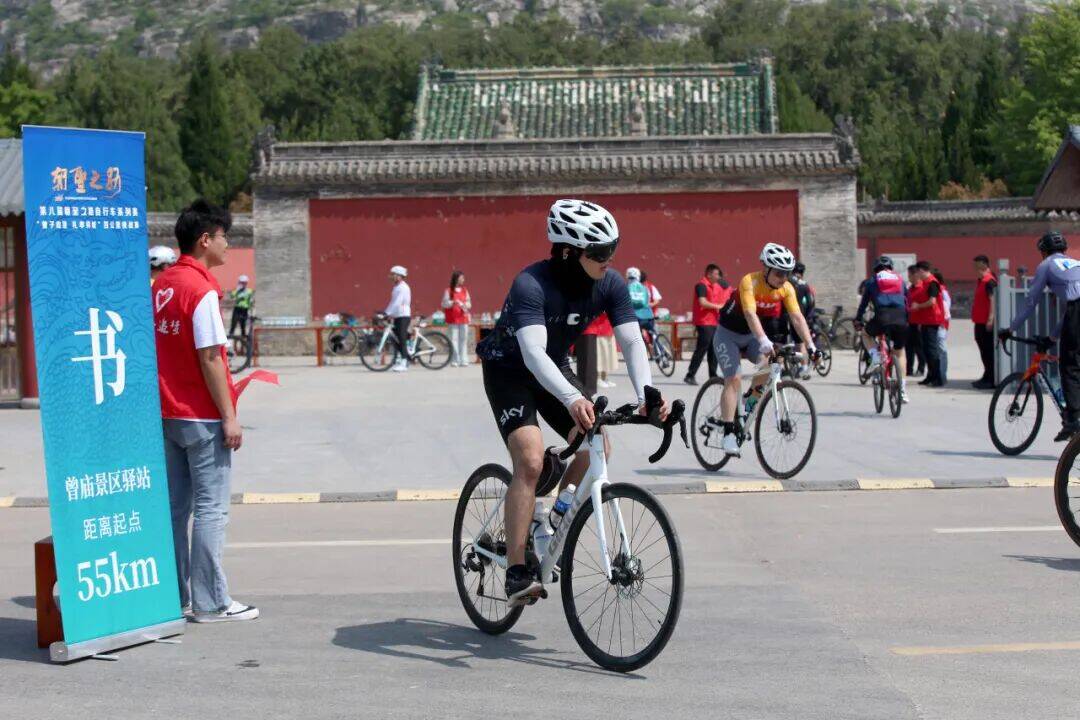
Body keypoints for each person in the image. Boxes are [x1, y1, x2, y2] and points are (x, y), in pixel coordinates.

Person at [476, 198, 670, 607]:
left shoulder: (610, 284)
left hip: (554, 367)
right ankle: (516, 570)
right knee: (530, 461)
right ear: (568, 252)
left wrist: (647, 396)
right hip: (509, 370)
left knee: (597, 444)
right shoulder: (531, 284)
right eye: (599, 252)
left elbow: (632, 340)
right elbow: (532, 353)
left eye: (612, 248)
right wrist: (572, 397)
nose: (608, 259)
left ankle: (552, 516)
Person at [154, 199, 258, 623]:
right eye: (223, 237)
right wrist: (229, 416)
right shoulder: (201, 290)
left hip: (166, 413)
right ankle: (211, 602)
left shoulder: (160, 285)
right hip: (200, 415)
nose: (227, 244)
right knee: (211, 510)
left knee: (176, 510)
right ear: (204, 240)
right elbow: (211, 357)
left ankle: (176, 596)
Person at [713, 243, 818, 456]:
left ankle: (747, 402)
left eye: (787, 273)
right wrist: (763, 340)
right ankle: (728, 433)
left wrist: (812, 346)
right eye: (779, 273)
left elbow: (797, 317)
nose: (783, 278)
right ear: (766, 269)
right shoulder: (749, 282)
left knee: (773, 364)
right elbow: (750, 314)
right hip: (727, 334)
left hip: (751, 335)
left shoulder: (786, 288)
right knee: (734, 378)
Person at [1000, 231, 1080, 441]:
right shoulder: (1075, 264)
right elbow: (1070, 314)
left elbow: (1030, 303)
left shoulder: (1046, 265)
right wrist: (1052, 339)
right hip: (1076, 312)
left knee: (1070, 367)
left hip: (1077, 311)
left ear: (1043, 252)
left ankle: (1073, 420)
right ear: (1064, 250)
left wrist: (1010, 329)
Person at [855, 255, 909, 403]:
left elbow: (864, 304)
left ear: (875, 269)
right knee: (900, 352)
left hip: (882, 317)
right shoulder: (900, 280)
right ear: (891, 267)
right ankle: (902, 390)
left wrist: (858, 319)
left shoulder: (872, 281)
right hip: (901, 317)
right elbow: (907, 300)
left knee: (866, 334)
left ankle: (876, 357)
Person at [684, 264, 727, 385]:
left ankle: (713, 375)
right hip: (703, 321)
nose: (718, 276)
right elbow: (702, 302)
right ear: (709, 274)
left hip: (714, 321)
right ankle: (690, 375)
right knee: (702, 347)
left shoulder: (717, 287)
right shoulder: (701, 286)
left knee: (714, 348)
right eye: (716, 274)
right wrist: (718, 306)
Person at [908, 261, 945, 387]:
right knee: (926, 350)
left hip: (932, 320)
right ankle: (930, 376)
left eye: (918, 272)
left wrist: (918, 306)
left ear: (922, 270)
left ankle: (937, 377)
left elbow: (932, 302)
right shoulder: (925, 283)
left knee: (932, 350)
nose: (917, 275)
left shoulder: (932, 283)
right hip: (925, 320)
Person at [971, 255, 998, 389]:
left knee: (988, 351)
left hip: (986, 322)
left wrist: (991, 318)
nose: (974, 268)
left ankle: (991, 379)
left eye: (977, 265)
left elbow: (993, 300)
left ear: (984, 264)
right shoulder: (981, 281)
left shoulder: (989, 281)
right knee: (984, 351)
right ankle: (986, 375)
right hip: (979, 321)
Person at [441, 270, 472, 367]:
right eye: (461, 278)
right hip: (453, 319)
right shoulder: (448, 290)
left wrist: (465, 305)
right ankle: (455, 359)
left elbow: (469, 303)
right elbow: (444, 304)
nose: (463, 280)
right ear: (456, 279)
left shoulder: (465, 290)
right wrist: (452, 302)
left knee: (463, 339)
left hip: (463, 318)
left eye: (463, 278)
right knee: (453, 339)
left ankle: (464, 359)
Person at [385, 265, 412, 372]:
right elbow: (392, 302)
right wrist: (386, 312)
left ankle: (404, 362)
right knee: (395, 339)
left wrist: (388, 313)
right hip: (397, 315)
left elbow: (397, 303)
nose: (391, 276)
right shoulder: (396, 287)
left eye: (393, 274)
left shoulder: (403, 287)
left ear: (399, 276)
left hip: (403, 315)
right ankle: (405, 358)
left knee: (401, 339)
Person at [584, 313, 617, 389]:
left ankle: (605, 378)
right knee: (601, 355)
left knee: (609, 356)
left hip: (609, 327)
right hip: (599, 328)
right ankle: (598, 378)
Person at [905, 265, 926, 377]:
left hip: (919, 323)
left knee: (919, 347)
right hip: (909, 322)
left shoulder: (923, 288)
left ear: (915, 275)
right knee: (909, 347)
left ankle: (921, 368)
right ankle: (909, 369)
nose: (908, 277)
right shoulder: (910, 289)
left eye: (909, 275)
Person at [933, 269, 951, 385]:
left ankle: (942, 375)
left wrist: (942, 322)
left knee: (941, 350)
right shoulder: (938, 290)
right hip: (937, 323)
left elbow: (946, 309)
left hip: (940, 324)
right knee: (936, 350)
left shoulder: (941, 291)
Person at [626, 267, 655, 338]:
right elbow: (647, 301)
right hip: (649, 316)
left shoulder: (626, 287)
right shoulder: (645, 288)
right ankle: (655, 343)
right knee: (652, 335)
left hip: (635, 318)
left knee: (636, 338)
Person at [228, 275, 253, 339]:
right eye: (241, 282)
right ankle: (231, 334)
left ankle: (243, 336)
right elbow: (231, 296)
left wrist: (251, 307)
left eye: (244, 282)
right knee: (234, 322)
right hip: (237, 308)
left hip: (245, 309)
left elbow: (251, 300)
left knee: (243, 323)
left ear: (246, 283)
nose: (243, 284)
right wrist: (237, 290)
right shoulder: (237, 290)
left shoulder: (249, 291)